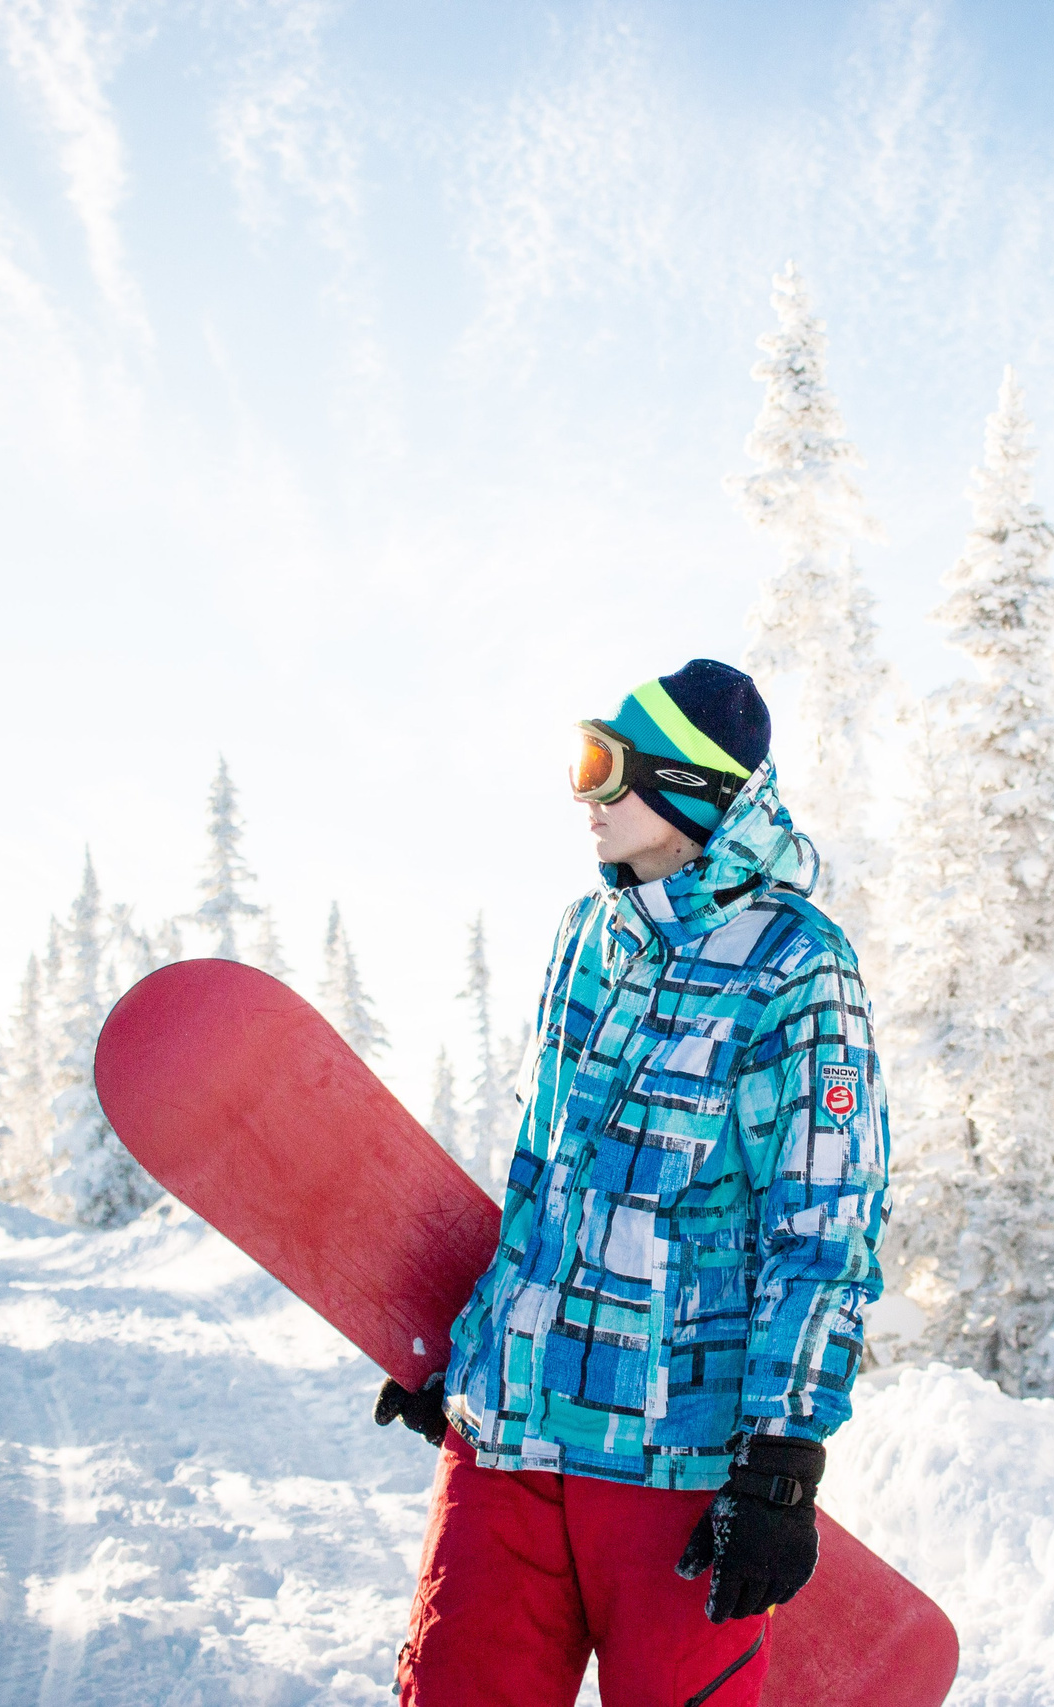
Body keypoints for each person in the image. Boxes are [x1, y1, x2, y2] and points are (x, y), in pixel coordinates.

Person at [374, 658, 891, 1707]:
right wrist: (475, 1343)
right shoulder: (586, 936)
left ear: (692, 790)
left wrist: (782, 1460)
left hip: (674, 1470)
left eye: (607, 767)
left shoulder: (795, 964)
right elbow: (547, 1185)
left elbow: (824, 1224)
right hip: (508, 1440)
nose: (586, 796)